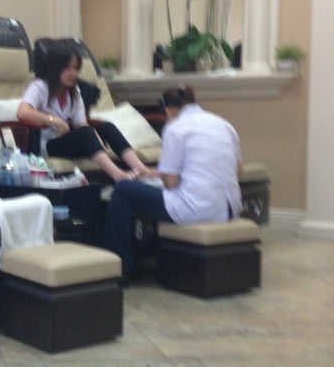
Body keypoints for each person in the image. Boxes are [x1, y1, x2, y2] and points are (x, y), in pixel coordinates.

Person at [101, 85, 243, 282]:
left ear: (167, 110)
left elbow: (171, 183)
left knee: (124, 189)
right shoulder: (224, 124)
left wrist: (158, 177)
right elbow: (238, 170)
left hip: (197, 209)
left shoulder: (175, 128)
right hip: (229, 209)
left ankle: (120, 268)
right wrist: (153, 173)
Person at [17, 45, 152, 184]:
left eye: (76, 69)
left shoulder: (74, 91)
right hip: (48, 144)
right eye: (68, 69)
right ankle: (118, 174)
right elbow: (23, 112)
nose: (74, 73)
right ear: (55, 68)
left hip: (68, 141)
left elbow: (80, 123)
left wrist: (95, 135)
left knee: (107, 127)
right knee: (85, 133)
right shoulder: (39, 87)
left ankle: (141, 169)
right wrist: (55, 121)